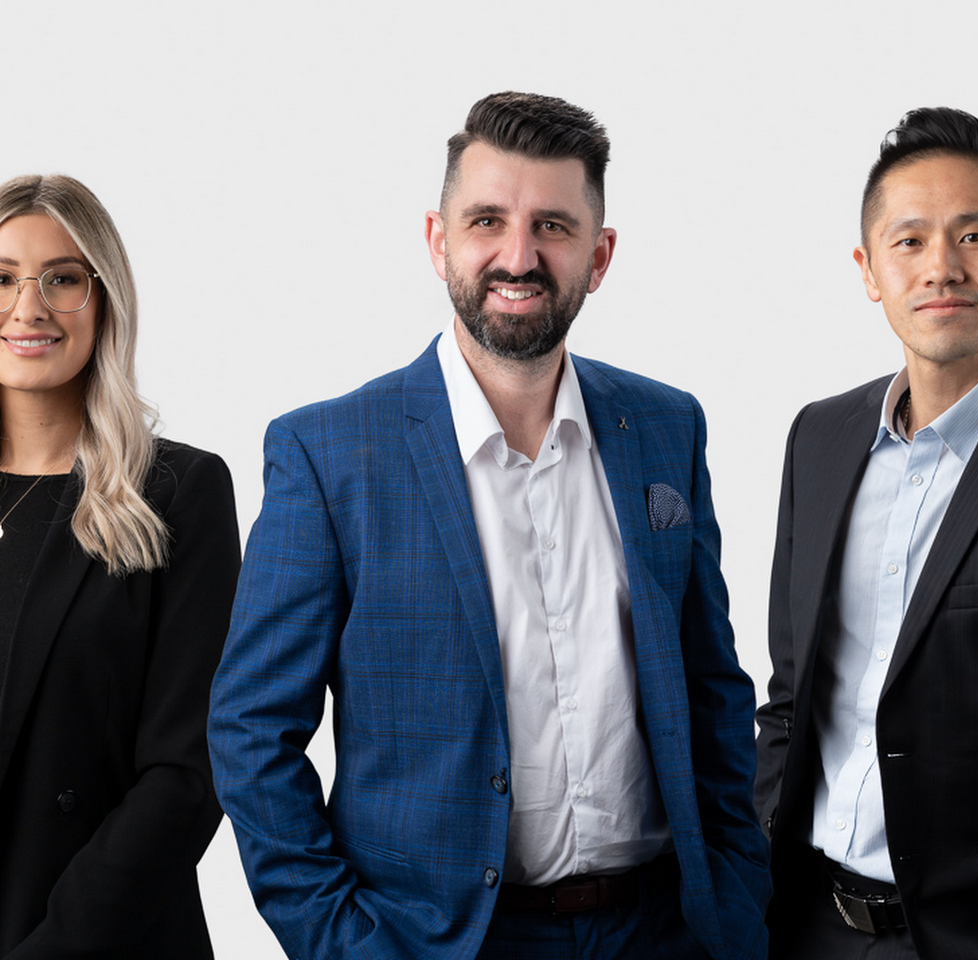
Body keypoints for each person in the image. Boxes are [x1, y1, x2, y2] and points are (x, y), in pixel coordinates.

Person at [209, 92, 769, 959]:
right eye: (487, 222)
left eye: (553, 225)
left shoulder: (667, 428)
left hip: (664, 931)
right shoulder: (329, 454)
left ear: (599, 254)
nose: (519, 256)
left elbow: (714, 689)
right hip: (437, 941)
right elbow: (252, 731)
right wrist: (342, 942)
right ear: (438, 241)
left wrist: (735, 894)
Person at [755, 107, 978, 959]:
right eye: (909, 241)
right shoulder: (820, 438)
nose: (942, 266)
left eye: (974, 235)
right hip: (807, 927)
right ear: (870, 271)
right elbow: (792, 697)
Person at [0, 174, 240, 957]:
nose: (28, 308)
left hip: (100, 940)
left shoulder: (178, 492)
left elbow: (188, 774)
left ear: (104, 301)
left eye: (61, 279)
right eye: (2, 279)